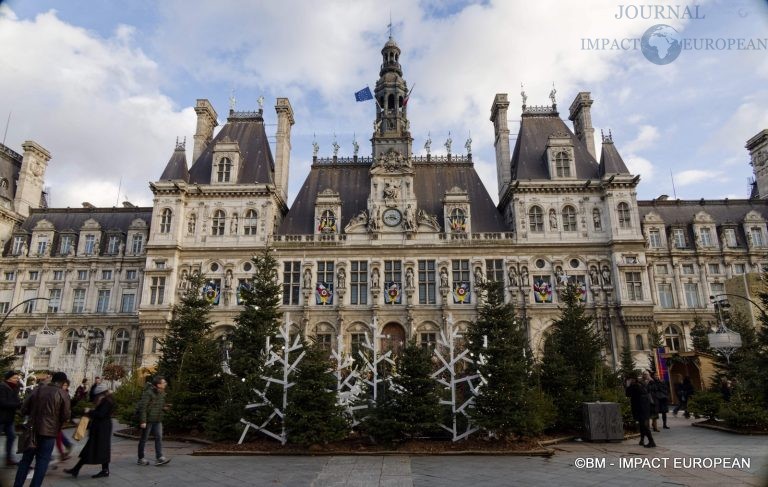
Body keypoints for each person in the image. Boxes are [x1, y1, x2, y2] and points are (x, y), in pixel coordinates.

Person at [13, 371, 71, 487]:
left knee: (25, 460)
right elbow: (66, 416)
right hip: (49, 433)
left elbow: (24, 409)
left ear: (53, 379)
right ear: (63, 382)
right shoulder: (63, 394)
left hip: (32, 430)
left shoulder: (38, 390)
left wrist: (34, 413)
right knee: (42, 462)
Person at [64, 382, 114, 478]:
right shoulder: (106, 400)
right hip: (101, 428)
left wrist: (89, 411)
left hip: (102, 429)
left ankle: (103, 470)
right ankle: (77, 469)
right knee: (94, 449)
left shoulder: (107, 401)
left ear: (101, 393)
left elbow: (101, 414)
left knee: (94, 449)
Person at [136, 376, 170, 466]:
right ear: (158, 385)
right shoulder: (148, 393)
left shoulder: (162, 393)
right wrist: (143, 421)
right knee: (144, 439)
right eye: (164, 382)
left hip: (158, 419)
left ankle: (159, 457)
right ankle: (141, 458)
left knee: (159, 437)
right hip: (148, 420)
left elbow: (159, 405)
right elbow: (143, 408)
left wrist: (165, 408)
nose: (165, 384)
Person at [625, 372, 656, 448]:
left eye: (628, 380)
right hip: (645, 406)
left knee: (643, 425)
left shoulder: (634, 386)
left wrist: (628, 386)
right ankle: (642, 440)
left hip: (640, 407)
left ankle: (651, 441)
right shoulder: (640, 384)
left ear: (631, 379)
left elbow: (628, 394)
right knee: (642, 424)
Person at [0, 370, 21, 465]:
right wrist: (17, 405)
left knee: (12, 436)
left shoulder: (15, 387)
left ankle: (9, 458)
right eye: (14, 378)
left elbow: (16, 400)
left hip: (9, 418)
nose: (16, 379)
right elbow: (2, 403)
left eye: (17, 378)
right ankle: (9, 458)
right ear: (8, 378)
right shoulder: (2, 387)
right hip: (1, 418)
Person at [56, 380, 74, 460]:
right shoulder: (58, 393)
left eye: (66, 385)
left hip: (58, 419)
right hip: (55, 418)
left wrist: (67, 417)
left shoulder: (66, 394)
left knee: (58, 435)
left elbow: (67, 408)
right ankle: (66, 446)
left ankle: (63, 451)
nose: (64, 386)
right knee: (58, 435)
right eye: (63, 385)